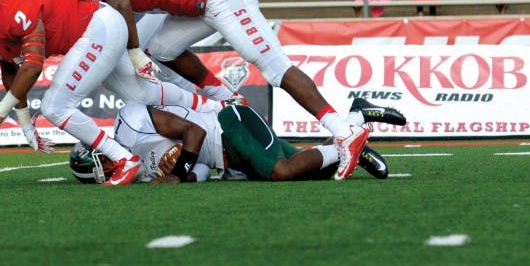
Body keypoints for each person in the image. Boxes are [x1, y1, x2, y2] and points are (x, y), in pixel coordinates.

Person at [54, 0, 373, 179]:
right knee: (164, 48)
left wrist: (134, 54)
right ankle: (223, 94)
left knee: (275, 69)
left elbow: (121, 4)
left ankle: (345, 131)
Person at [0, 0, 216, 186]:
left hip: (97, 26)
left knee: (55, 106)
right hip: (97, 28)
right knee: (140, 93)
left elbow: (32, 66)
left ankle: (124, 159)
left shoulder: (15, 8)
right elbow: (10, 70)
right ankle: (208, 105)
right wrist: (26, 124)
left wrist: (1, 112)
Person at [100, 98, 398, 184]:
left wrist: (177, 173)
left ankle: (346, 142)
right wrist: (187, 173)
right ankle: (355, 120)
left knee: (283, 171)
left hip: (229, 126)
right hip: (231, 160)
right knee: (316, 173)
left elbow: (195, 133)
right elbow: (203, 171)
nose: (109, 168)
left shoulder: (131, 121)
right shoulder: (136, 173)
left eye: (102, 162)